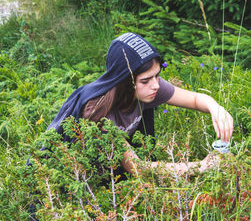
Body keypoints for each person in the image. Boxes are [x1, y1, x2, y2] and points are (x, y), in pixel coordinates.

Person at [47, 32, 233, 176]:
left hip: (113, 169)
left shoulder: (147, 88)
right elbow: (139, 169)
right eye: (145, 80)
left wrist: (216, 108)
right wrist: (201, 166)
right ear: (124, 80)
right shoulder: (98, 112)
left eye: (157, 75)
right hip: (81, 181)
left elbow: (195, 99)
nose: (155, 86)